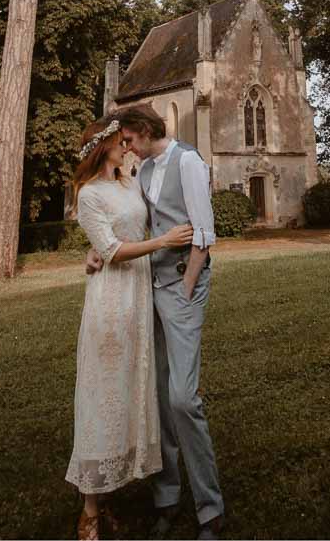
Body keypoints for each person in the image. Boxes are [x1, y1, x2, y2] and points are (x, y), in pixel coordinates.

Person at [88, 103, 224, 539]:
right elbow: (136, 229)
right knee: (159, 399)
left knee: (183, 398)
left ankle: (210, 509)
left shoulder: (189, 162)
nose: (125, 147)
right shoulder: (143, 172)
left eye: (128, 139)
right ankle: (167, 497)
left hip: (181, 290)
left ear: (145, 131)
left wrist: (185, 286)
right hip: (148, 293)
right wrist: (97, 251)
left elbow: (203, 232)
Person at [66, 117, 194, 540]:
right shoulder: (88, 194)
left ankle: (117, 488)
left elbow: (123, 230)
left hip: (140, 296)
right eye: (121, 143)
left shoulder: (129, 181)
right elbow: (113, 248)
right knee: (102, 391)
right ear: (103, 148)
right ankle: (90, 510)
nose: (128, 147)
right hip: (111, 301)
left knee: (130, 389)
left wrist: (95, 250)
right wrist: (163, 243)